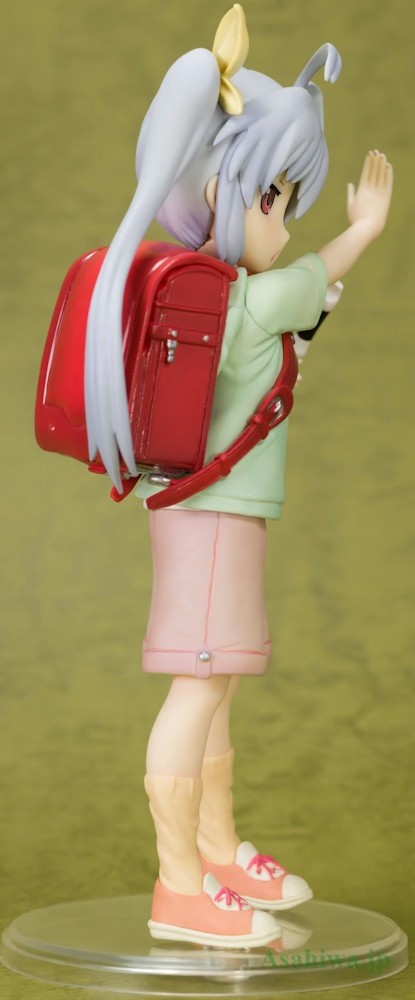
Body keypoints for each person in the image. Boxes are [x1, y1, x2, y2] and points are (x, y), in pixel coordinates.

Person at [84, 5, 393, 947]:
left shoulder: (213, 299)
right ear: (221, 190)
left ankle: (214, 852)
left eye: (286, 204)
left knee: (214, 685)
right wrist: (363, 229)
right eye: (272, 199)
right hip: (212, 518)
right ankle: (179, 888)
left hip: (209, 513)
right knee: (198, 688)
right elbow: (312, 278)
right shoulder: (248, 300)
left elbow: (299, 317)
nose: (282, 224)